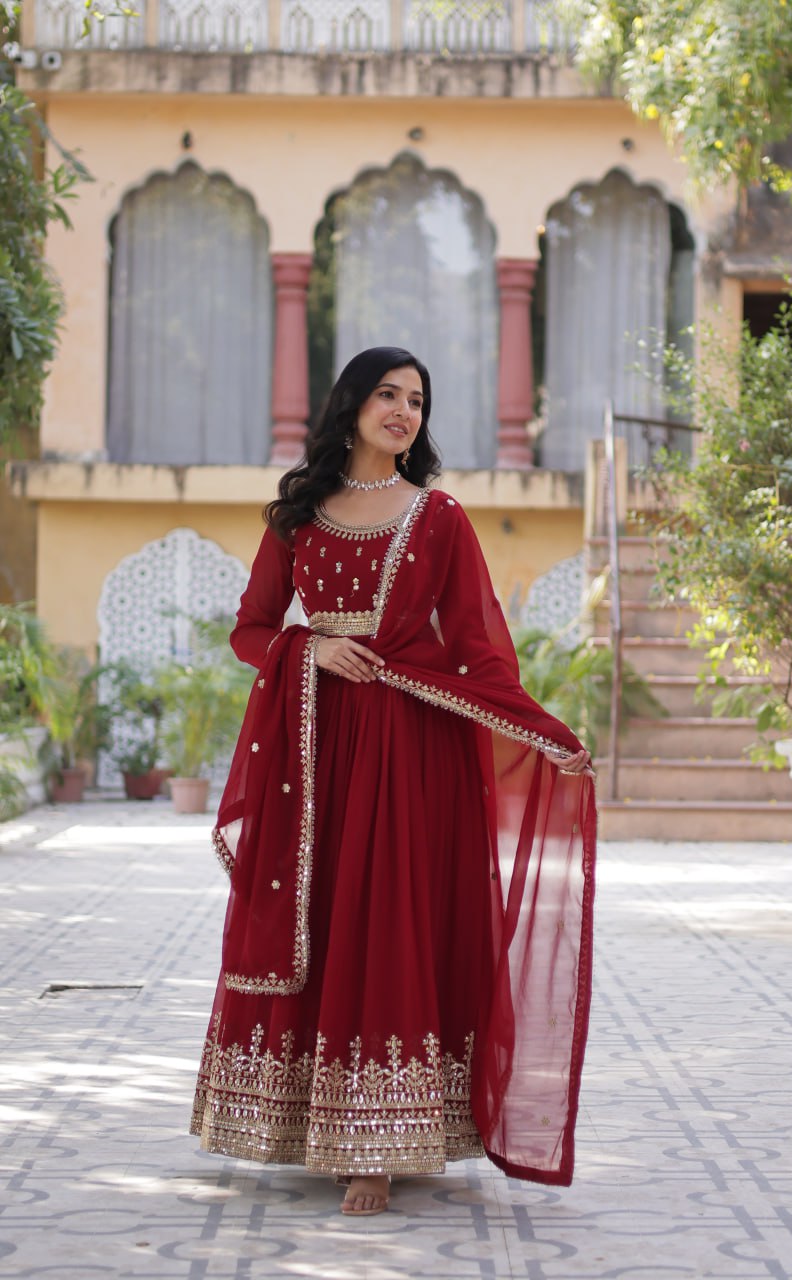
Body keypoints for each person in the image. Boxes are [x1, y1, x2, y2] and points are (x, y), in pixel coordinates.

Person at [190, 347, 597, 1217]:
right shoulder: (296, 514)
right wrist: (311, 648)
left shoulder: (439, 517)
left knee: (385, 922)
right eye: (387, 394)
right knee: (323, 914)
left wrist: (543, 731)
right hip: (316, 747)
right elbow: (253, 630)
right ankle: (303, 1125)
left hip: (411, 752)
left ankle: (375, 1142)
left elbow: (482, 648)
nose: (404, 411)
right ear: (351, 403)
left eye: (416, 400)